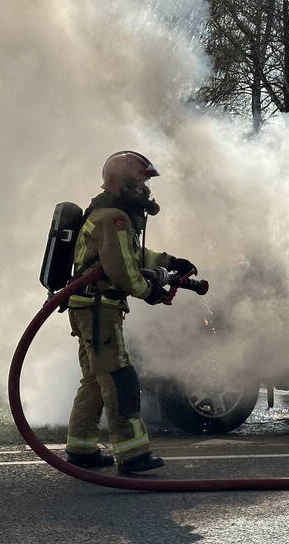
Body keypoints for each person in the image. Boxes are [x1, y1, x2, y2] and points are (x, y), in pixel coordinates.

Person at [64, 150, 197, 475]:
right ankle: (132, 455)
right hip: (100, 310)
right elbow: (122, 270)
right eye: (139, 180)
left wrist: (169, 262)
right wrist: (150, 291)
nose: (144, 188)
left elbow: (132, 254)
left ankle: (80, 449)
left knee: (96, 381)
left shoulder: (107, 214)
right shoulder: (115, 218)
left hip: (86, 306)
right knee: (119, 379)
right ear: (121, 181)